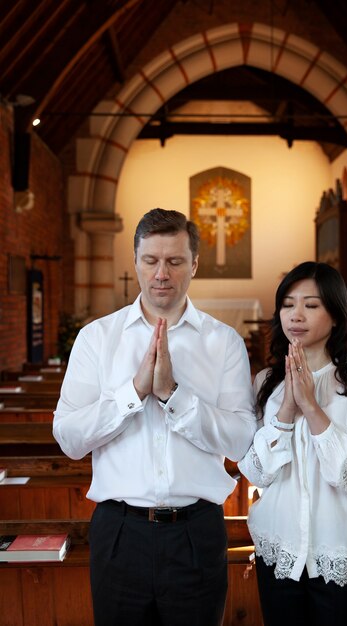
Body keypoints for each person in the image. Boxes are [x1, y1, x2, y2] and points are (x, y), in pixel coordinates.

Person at [53, 208, 256, 626]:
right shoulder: (97, 338)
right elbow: (69, 439)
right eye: (151, 260)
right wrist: (133, 393)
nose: (161, 273)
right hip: (120, 531)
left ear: (194, 264)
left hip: (195, 532)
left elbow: (241, 440)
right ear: (136, 261)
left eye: (175, 261)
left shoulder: (224, 343)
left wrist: (172, 395)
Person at [238, 261, 347, 626]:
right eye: (288, 304)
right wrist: (288, 408)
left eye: (311, 304)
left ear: (336, 314)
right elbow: (257, 473)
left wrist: (312, 406)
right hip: (280, 545)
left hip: (340, 547)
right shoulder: (265, 383)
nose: (296, 315)